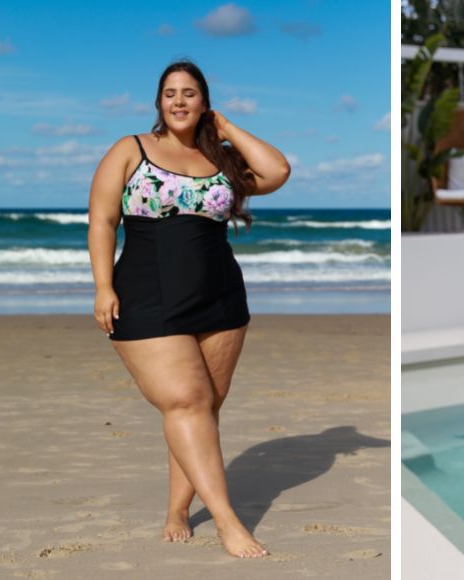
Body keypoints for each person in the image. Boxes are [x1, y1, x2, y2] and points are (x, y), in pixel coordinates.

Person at [87, 59, 290, 559]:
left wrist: (225, 130)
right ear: (158, 102)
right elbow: (102, 219)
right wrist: (102, 286)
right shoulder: (130, 149)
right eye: (170, 93)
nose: (179, 101)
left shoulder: (220, 159)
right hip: (145, 295)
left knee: (204, 408)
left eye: (190, 94)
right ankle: (227, 522)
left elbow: (276, 170)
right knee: (186, 402)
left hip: (220, 296)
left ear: (204, 103)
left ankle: (178, 509)